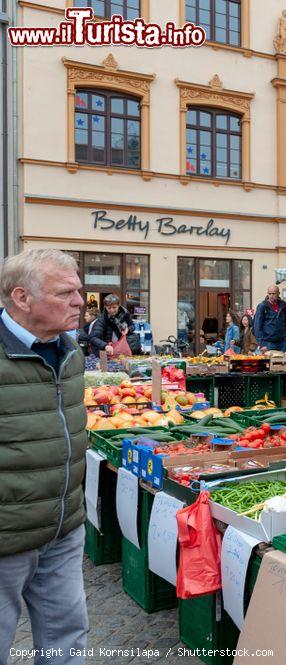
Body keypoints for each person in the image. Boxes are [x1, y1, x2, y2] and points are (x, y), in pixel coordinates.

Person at [0, 249, 88, 662]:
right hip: (7, 538)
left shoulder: (71, 351)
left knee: (68, 637)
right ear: (21, 298)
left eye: (79, 291)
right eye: (65, 293)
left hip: (63, 529)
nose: (79, 301)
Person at [253, 285, 286, 352]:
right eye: (269, 293)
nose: (271, 296)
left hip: (282, 342)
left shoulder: (283, 305)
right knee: (270, 362)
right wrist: (261, 343)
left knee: (282, 362)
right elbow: (257, 326)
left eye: (273, 293)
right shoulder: (262, 306)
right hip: (268, 342)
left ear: (278, 294)